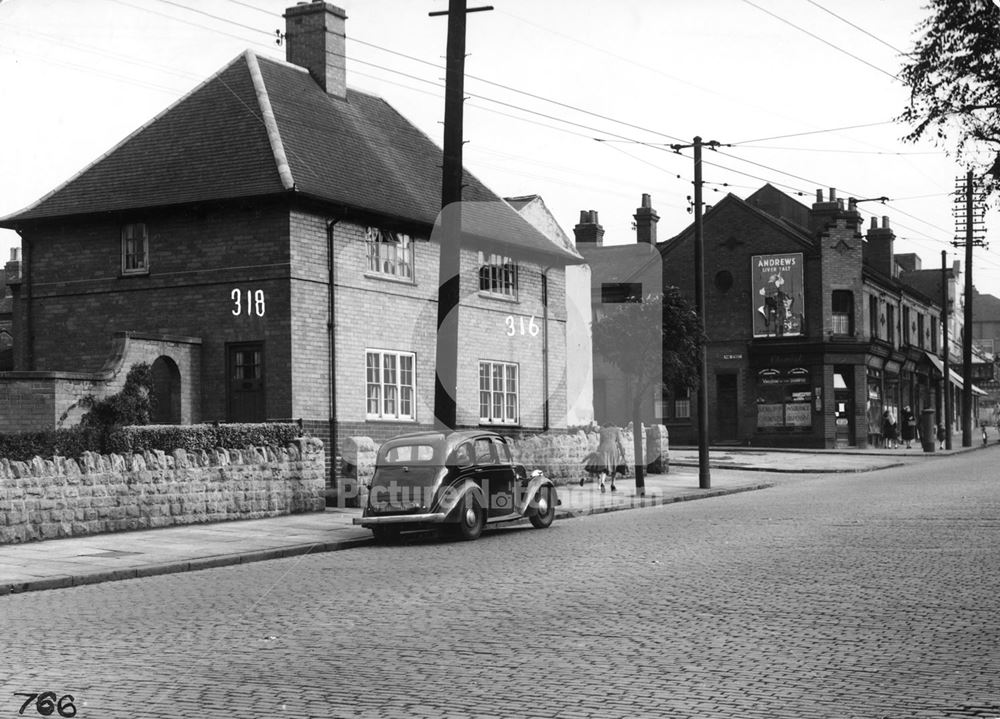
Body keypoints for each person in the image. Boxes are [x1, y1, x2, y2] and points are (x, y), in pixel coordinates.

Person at [581, 424, 628, 493]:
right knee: (614, 467)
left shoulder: (602, 431)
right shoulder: (617, 430)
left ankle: (602, 483)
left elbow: (600, 443)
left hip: (603, 449)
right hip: (613, 449)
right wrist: (623, 454)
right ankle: (612, 485)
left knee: (604, 467)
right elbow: (620, 442)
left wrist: (598, 452)